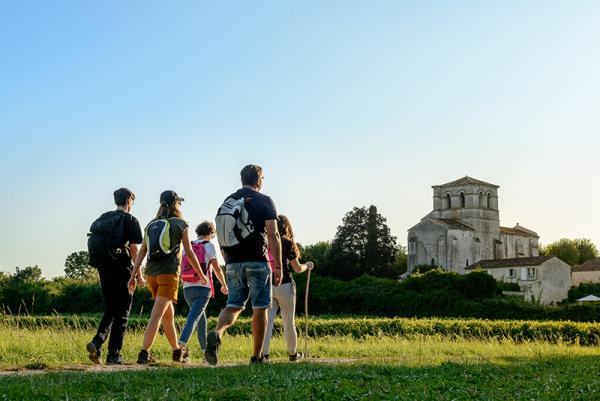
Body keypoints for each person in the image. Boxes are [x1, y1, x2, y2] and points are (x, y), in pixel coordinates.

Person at [206, 164, 282, 365]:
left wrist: (227, 261)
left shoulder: (228, 201)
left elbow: (222, 236)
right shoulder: (265, 201)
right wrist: (279, 266)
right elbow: (273, 235)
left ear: (241, 179)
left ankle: (218, 332)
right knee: (260, 308)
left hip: (232, 262)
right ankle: (256, 357)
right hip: (257, 261)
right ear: (259, 180)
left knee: (233, 305)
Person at [128, 190, 208, 364]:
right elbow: (189, 253)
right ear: (176, 204)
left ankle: (177, 352)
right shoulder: (180, 224)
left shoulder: (151, 225)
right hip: (168, 274)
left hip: (151, 275)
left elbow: (142, 252)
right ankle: (144, 353)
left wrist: (133, 276)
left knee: (168, 316)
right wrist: (201, 275)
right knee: (156, 315)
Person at [86, 188, 144, 365]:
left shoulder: (104, 217)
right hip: (122, 267)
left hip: (103, 266)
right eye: (132, 202)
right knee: (124, 311)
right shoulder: (130, 220)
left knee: (112, 307)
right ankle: (114, 354)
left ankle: (97, 342)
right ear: (128, 201)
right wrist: (138, 275)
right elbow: (134, 249)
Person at [262, 215, 314, 362]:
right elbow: (297, 268)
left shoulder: (265, 241)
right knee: (288, 320)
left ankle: (264, 355)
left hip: (268, 284)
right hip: (285, 285)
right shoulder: (286, 241)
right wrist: (307, 266)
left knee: (267, 321)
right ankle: (293, 354)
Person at [177, 221, 228, 360]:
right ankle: (180, 346)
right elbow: (217, 268)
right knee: (193, 317)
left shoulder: (188, 245)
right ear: (211, 233)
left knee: (201, 319)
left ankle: (206, 352)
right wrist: (224, 284)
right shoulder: (209, 245)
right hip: (202, 287)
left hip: (187, 287)